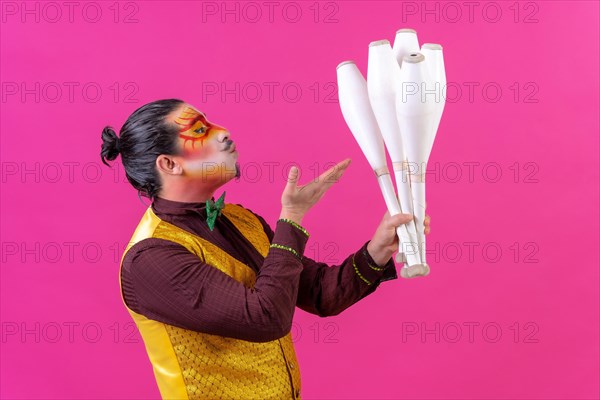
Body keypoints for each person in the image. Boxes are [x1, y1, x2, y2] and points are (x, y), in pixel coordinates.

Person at [100, 99, 431, 400]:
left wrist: (377, 249)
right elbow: (265, 318)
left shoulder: (239, 219)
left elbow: (319, 294)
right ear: (169, 164)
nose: (223, 133)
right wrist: (293, 217)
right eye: (200, 130)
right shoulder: (151, 258)